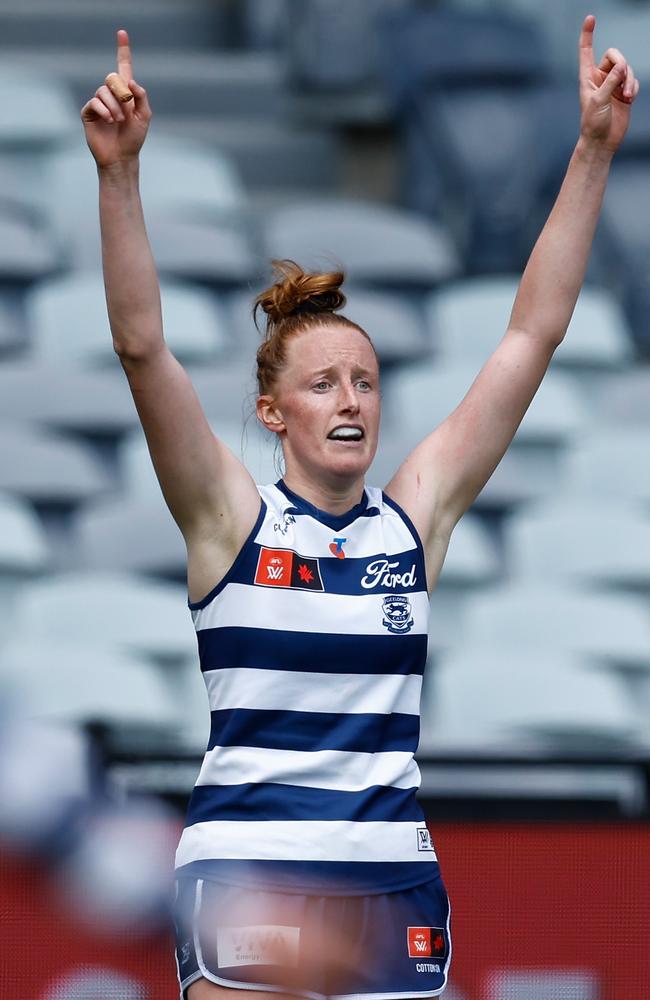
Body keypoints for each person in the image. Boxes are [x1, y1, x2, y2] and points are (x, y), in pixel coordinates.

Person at [81, 16, 638, 1000]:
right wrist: (119, 178)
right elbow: (139, 348)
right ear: (271, 412)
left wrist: (590, 149)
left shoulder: (411, 518)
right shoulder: (226, 517)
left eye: (365, 382)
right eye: (323, 383)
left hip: (391, 888)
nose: (349, 401)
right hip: (246, 871)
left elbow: (529, 334)